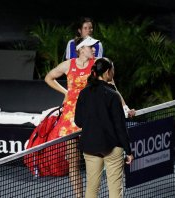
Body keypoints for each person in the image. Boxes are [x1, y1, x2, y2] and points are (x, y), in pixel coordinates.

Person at [45, 36, 134, 198]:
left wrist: (126, 108)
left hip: (91, 116)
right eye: (90, 47)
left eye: (93, 47)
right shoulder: (68, 65)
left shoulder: (99, 65)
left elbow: (113, 88)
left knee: (93, 167)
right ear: (80, 49)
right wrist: (67, 93)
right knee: (74, 162)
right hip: (71, 119)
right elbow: (48, 77)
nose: (93, 49)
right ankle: (79, 196)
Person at [74, 57, 134, 198]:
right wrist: (128, 151)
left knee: (91, 190)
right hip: (112, 148)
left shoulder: (83, 93)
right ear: (107, 72)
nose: (113, 73)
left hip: (90, 146)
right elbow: (120, 127)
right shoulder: (113, 95)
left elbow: (78, 121)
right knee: (115, 190)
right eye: (112, 70)